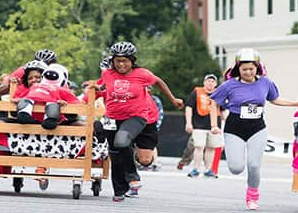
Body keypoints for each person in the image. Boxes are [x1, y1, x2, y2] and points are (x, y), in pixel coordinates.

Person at [209, 48, 298, 210]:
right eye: (244, 69)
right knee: (236, 168)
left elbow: (275, 99)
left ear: (257, 67)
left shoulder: (266, 82)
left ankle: (252, 197)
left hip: (257, 128)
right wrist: (214, 125)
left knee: (254, 165)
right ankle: (242, 175)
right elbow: (214, 102)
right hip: (234, 127)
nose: (248, 72)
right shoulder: (229, 85)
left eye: (251, 69)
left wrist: (296, 103)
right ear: (238, 68)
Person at [95, 41, 183, 202]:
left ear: (132, 60)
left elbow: (159, 82)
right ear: (112, 61)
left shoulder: (142, 74)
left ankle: (132, 176)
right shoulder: (107, 74)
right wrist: (98, 88)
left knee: (123, 142)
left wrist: (173, 99)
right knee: (115, 153)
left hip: (136, 116)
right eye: (118, 61)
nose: (121, 64)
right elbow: (104, 86)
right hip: (112, 117)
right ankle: (119, 190)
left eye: (125, 61)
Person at [184, 74, 224, 178]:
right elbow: (189, 107)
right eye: (208, 81)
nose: (210, 83)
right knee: (199, 146)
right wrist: (188, 122)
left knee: (211, 147)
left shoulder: (219, 93)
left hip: (214, 126)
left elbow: (223, 109)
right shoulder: (196, 92)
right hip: (199, 125)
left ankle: (208, 169)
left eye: (212, 81)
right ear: (204, 82)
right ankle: (196, 169)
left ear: (215, 84)